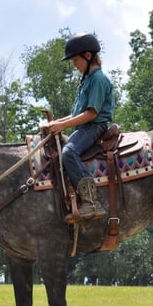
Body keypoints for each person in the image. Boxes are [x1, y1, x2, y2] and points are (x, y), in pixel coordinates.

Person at [43, 32, 115, 222]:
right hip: (85, 126)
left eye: (76, 60)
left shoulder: (98, 80)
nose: (75, 65)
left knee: (68, 152)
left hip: (94, 127)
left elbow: (92, 113)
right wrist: (57, 124)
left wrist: (63, 125)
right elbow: (77, 114)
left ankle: (91, 203)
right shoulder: (88, 79)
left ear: (88, 56)